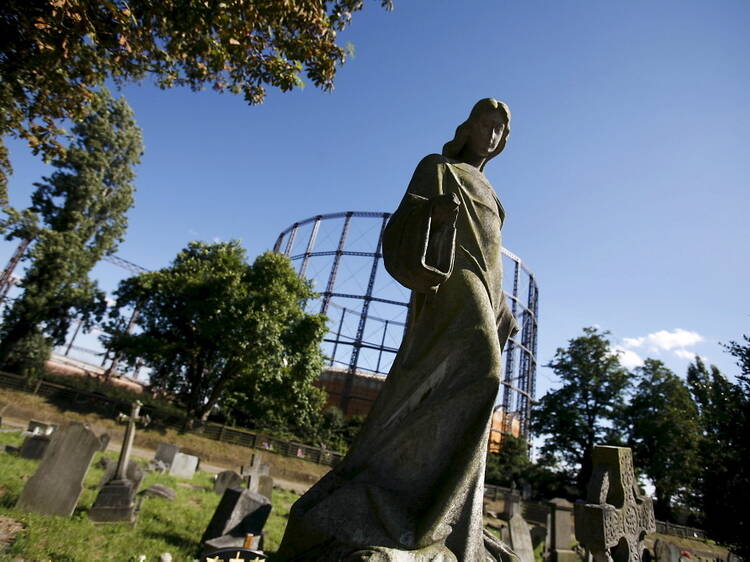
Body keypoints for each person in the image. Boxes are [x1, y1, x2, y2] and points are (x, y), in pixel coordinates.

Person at [277, 98, 519, 561]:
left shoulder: (490, 189)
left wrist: (500, 304)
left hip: (486, 289)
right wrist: (435, 215)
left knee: (466, 383)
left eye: (499, 131)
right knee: (484, 374)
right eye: (485, 125)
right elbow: (405, 220)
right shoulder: (438, 166)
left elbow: (492, 254)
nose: (491, 135)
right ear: (466, 128)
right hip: (449, 277)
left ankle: (434, 501)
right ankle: (414, 500)